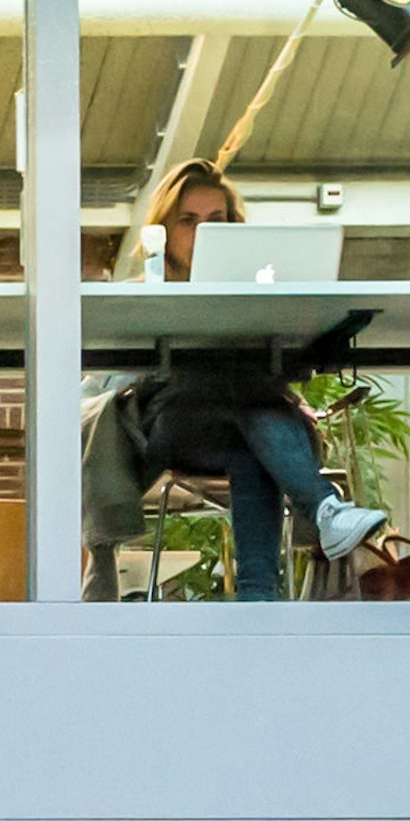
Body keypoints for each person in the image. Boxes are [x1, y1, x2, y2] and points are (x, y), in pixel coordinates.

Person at [82, 161, 392, 602]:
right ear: (164, 229)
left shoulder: (258, 293)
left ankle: (258, 599)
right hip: (170, 425)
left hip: (239, 431)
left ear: (235, 227)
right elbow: (102, 379)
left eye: (216, 221)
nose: (203, 232)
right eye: (188, 221)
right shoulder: (144, 292)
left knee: (247, 438)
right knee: (246, 395)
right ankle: (324, 508)